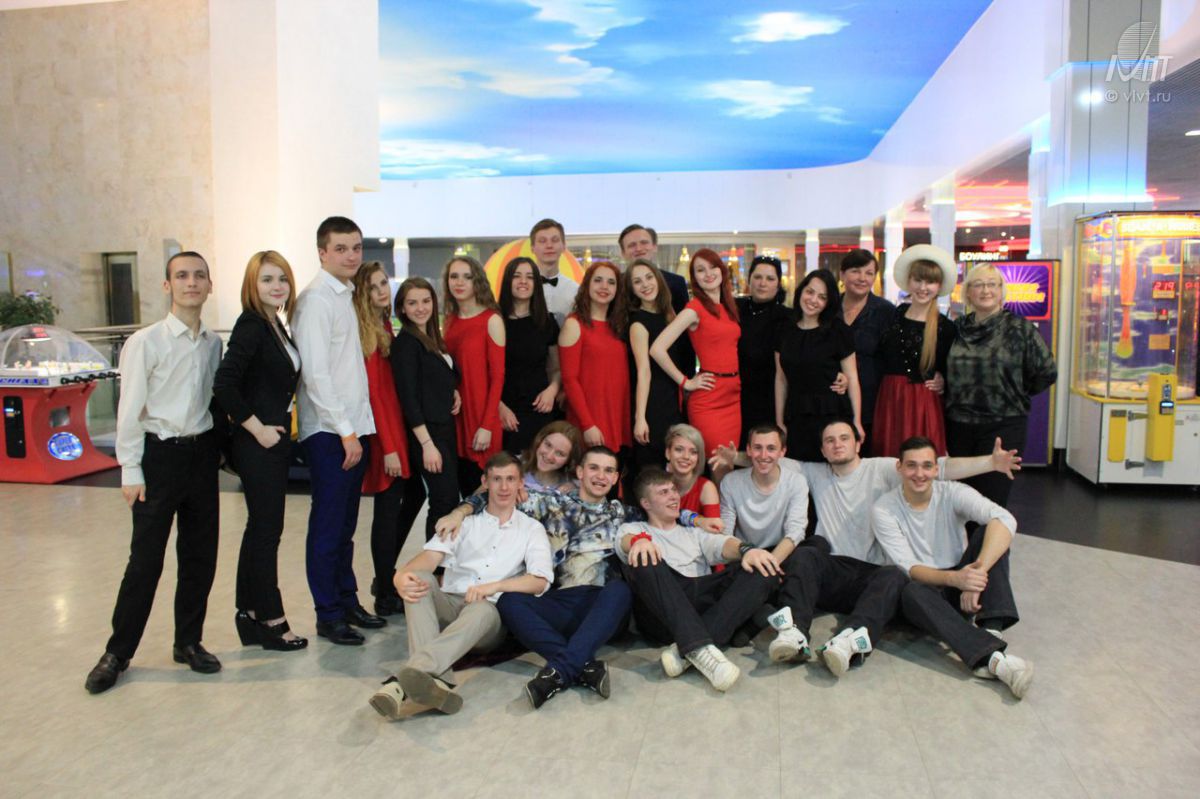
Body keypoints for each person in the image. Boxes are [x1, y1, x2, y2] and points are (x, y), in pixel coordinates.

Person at [710, 419, 1021, 678]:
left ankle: (850, 639)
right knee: (806, 553)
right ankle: (795, 633)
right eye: (830, 441)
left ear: (858, 443)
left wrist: (990, 463)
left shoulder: (884, 469)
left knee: (897, 575)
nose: (837, 445)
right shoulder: (813, 473)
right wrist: (734, 457)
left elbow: (937, 467)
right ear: (823, 450)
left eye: (844, 438)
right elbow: (768, 457)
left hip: (873, 573)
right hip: (832, 570)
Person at [435, 446, 719, 707]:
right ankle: (580, 667)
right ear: (580, 472)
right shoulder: (550, 504)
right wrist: (459, 512)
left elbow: (663, 509)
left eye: (608, 470)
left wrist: (697, 519)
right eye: (594, 468)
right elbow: (494, 494)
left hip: (604, 605)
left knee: (620, 589)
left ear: (615, 478)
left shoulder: (623, 513)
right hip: (558, 601)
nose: (601, 476)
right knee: (509, 601)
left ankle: (559, 671)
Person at [85, 252, 225, 693]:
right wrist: (130, 468)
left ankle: (188, 642)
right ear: (167, 286)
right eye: (181, 276)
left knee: (199, 556)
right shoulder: (145, 342)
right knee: (145, 561)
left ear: (209, 285)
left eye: (199, 276)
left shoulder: (213, 344)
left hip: (201, 457)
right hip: (159, 457)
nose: (191, 282)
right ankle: (117, 653)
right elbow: (129, 410)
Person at [369, 452, 554, 720]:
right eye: (497, 479)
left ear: (520, 484)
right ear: (485, 482)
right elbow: (428, 559)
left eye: (510, 479)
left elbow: (539, 581)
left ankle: (401, 683)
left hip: (488, 619)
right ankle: (436, 682)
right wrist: (400, 577)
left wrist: (494, 587)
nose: (504, 487)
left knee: (481, 609)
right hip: (451, 605)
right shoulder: (463, 523)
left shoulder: (531, 529)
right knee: (419, 579)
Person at [873, 436, 1034, 699]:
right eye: (911, 466)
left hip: (963, 582)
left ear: (936, 469)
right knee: (910, 590)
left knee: (991, 534)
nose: (920, 474)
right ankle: (994, 659)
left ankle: (990, 629)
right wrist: (957, 580)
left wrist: (977, 574)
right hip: (926, 592)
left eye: (927, 466)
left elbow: (1005, 519)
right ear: (899, 468)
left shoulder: (952, 492)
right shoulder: (884, 509)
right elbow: (910, 568)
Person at [292, 216, 384, 646]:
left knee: (346, 526)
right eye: (341, 248)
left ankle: (347, 602)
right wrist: (346, 432)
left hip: (351, 429)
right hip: (331, 432)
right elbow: (316, 375)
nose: (351, 256)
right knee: (328, 527)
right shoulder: (315, 301)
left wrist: (358, 429)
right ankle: (327, 614)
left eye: (356, 247)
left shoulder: (344, 294)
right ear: (322, 252)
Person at [213, 249, 306, 651]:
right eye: (267, 279)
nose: (277, 286)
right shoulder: (252, 324)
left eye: (282, 278)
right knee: (267, 532)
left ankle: (249, 614)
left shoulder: (275, 324)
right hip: (258, 444)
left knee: (260, 529)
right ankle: (271, 620)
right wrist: (257, 428)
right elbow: (224, 384)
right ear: (252, 284)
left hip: (274, 441)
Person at [617, 469, 781, 692]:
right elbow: (625, 541)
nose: (673, 497)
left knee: (763, 567)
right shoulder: (633, 529)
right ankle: (706, 645)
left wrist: (747, 550)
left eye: (674, 490)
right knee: (643, 557)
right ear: (646, 503)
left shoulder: (693, 532)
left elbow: (722, 544)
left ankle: (688, 649)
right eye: (664, 492)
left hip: (702, 600)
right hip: (663, 612)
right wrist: (639, 541)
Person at [945, 265, 1057, 507]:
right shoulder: (957, 328)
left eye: (991, 284)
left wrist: (1012, 391)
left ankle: (992, 536)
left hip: (1003, 426)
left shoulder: (1019, 329)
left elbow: (1046, 371)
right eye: (978, 284)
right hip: (958, 427)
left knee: (990, 502)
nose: (985, 290)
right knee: (959, 501)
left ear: (1001, 290)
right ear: (968, 292)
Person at [716, 424, 816, 662]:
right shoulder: (731, 482)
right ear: (748, 450)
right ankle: (765, 618)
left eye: (771, 448)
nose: (764, 455)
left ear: (782, 452)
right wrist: (753, 558)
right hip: (746, 554)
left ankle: (794, 632)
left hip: (780, 552)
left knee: (809, 557)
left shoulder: (796, 482)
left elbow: (795, 532)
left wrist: (771, 563)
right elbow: (725, 533)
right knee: (739, 583)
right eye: (758, 448)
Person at [351, 262, 415, 618]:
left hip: (395, 427)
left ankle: (385, 580)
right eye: (373, 287)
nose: (381, 291)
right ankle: (385, 590)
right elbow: (374, 394)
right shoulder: (365, 333)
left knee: (398, 505)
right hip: (383, 432)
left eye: (383, 284)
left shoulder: (384, 325)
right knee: (387, 513)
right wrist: (389, 447)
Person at [650, 248, 741, 478]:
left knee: (728, 467)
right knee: (718, 468)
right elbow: (657, 349)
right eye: (700, 270)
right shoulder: (694, 309)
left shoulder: (728, 307)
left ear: (722, 270)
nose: (708, 274)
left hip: (733, 396)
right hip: (709, 400)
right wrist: (686, 382)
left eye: (712, 267)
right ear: (695, 278)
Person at [389, 277, 462, 544]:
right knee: (443, 500)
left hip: (444, 428)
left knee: (447, 499)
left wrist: (452, 390)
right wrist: (427, 445)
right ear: (402, 308)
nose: (420, 308)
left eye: (425, 301)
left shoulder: (431, 338)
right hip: (427, 434)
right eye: (412, 303)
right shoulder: (406, 344)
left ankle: (440, 561)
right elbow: (408, 399)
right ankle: (435, 563)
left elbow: (437, 376)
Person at [873, 244, 956, 458]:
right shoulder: (890, 317)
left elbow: (952, 370)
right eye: (918, 280)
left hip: (924, 404)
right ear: (909, 281)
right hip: (890, 400)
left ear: (939, 286)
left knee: (922, 459)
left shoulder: (946, 328)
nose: (923, 287)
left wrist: (943, 380)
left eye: (930, 282)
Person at [774, 268, 863, 461]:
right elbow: (781, 379)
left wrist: (857, 421)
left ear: (828, 303)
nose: (813, 300)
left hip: (831, 412)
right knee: (797, 468)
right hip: (796, 412)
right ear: (801, 291)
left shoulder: (838, 331)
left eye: (822, 297)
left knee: (831, 469)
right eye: (810, 292)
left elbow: (852, 378)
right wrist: (779, 421)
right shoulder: (784, 329)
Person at [442, 255, 506, 491]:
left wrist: (487, 425)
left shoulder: (492, 320)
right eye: (454, 276)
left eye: (467, 277)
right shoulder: (449, 321)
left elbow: (498, 378)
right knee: (461, 488)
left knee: (483, 491)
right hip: (454, 413)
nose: (459, 282)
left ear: (477, 281)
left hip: (481, 415)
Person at [626, 259, 690, 478]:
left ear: (658, 279)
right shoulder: (638, 323)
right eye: (637, 282)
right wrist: (640, 418)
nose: (645, 284)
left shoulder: (669, 314)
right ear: (632, 289)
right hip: (653, 403)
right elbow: (643, 372)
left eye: (649, 277)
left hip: (672, 398)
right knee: (653, 470)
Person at [559, 261, 630, 454]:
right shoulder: (574, 324)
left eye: (611, 282)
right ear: (587, 285)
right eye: (598, 280)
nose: (604, 286)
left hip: (617, 412)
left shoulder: (619, 325)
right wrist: (587, 424)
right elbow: (569, 380)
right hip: (590, 417)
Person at [497, 256, 561, 456]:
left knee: (537, 467)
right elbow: (483, 373)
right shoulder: (494, 320)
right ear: (508, 282)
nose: (523, 281)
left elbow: (556, 368)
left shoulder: (547, 322)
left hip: (539, 408)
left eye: (530, 277)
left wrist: (552, 390)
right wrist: (498, 407)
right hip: (505, 409)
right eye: (517, 276)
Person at [839, 249, 894, 452]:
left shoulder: (885, 311)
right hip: (831, 398)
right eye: (855, 271)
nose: (862, 278)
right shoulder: (828, 308)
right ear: (842, 275)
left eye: (869, 273)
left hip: (871, 402)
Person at [736, 255, 789, 441]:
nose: (762, 283)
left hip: (770, 399)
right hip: (734, 398)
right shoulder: (735, 308)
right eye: (757, 277)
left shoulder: (787, 317)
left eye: (770, 278)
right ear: (749, 280)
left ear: (778, 284)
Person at [618, 223, 689, 312]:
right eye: (632, 245)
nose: (639, 248)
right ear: (623, 253)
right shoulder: (616, 284)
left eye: (644, 242)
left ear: (655, 247)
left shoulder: (677, 282)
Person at [664, 424, 719, 518]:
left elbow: (714, 525)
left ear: (698, 458)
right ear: (668, 453)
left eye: (693, 452)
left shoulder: (706, 488)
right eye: (679, 450)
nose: (686, 456)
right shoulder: (656, 484)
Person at [530, 218, 578, 323]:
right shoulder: (523, 287)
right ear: (532, 247)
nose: (549, 245)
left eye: (555, 240)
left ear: (564, 246)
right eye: (542, 241)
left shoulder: (575, 290)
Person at [520, 420, 582, 492]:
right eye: (548, 445)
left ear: (569, 460)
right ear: (539, 440)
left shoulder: (570, 489)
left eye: (559, 453)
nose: (549, 456)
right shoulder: (514, 466)